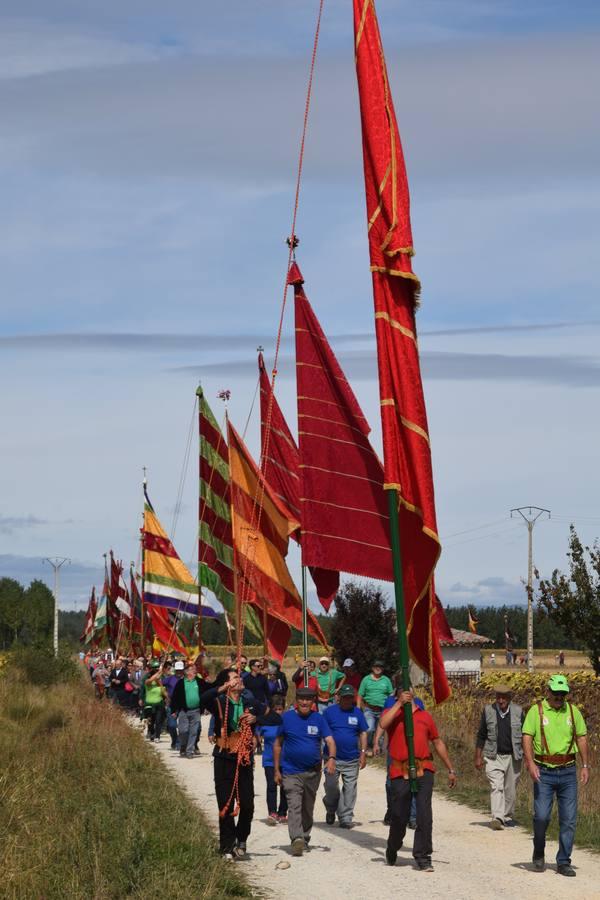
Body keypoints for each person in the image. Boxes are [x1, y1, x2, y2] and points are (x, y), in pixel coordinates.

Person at [201, 668, 281, 859]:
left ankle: (242, 839)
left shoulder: (250, 703)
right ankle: (226, 847)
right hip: (224, 758)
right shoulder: (219, 703)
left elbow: (275, 718)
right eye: (235, 677)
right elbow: (202, 699)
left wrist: (257, 719)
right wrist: (222, 688)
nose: (240, 679)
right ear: (227, 683)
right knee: (226, 805)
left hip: (244, 759)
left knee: (247, 804)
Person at [381, 688, 457, 872]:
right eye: (401, 692)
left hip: (424, 768)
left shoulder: (425, 716)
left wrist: (450, 768)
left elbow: (437, 741)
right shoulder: (392, 713)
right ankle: (393, 845)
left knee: (424, 814)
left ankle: (423, 856)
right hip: (400, 769)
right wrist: (399, 704)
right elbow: (383, 724)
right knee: (399, 814)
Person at [522, 674, 590, 876]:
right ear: (548, 692)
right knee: (541, 816)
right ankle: (539, 850)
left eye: (563, 694)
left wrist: (585, 765)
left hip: (568, 770)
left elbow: (582, 737)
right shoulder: (537, 711)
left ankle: (563, 861)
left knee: (568, 819)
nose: (560, 697)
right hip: (544, 771)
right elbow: (527, 737)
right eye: (556, 693)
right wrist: (530, 763)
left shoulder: (573, 711)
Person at [274, 686, 336, 856]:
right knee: (294, 804)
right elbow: (277, 744)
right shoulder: (286, 718)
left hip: (313, 773)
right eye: (301, 699)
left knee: (307, 807)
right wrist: (276, 770)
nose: (304, 702)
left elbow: (330, 741)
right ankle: (296, 839)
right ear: (296, 701)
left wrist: (331, 759)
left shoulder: (319, 719)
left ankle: (305, 837)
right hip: (291, 771)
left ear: (313, 702)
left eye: (308, 699)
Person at [375, 679, 425, 827]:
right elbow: (383, 722)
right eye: (401, 690)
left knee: (413, 781)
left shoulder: (418, 703)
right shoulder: (390, 703)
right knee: (392, 783)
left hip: (413, 749)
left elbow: (423, 721)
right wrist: (377, 740)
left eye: (407, 689)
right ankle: (392, 810)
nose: (405, 692)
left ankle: (413, 817)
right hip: (395, 749)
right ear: (396, 691)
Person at [474, 684, 524, 829]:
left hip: (513, 756)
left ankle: (507, 816)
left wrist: (528, 756)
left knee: (510, 789)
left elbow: (526, 736)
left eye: (503, 698)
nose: (500, 700)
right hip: (493, 755)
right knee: (496, 786)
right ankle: (497, 817)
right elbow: (481, 735)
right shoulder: (488, 711)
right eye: (498, 697)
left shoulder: (518, 712)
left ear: (509, 698)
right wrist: (477, 757)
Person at [322, 683, 368, 828]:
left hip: (351, 759)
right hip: (331, 759)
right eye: (345, 698)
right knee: (331, 788)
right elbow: (322, 733)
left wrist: (363, 753)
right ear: (338, 698)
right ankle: (331, 809)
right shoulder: (329, 712)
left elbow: (363, 733)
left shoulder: (357, 712)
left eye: (350, 698)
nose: (348, 701)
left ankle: (345, 817)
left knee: (350, 788)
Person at [257, 693, 288, 824]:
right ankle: (272, 813)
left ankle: (282, 813)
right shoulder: (264, 722)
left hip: (286, 760)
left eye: (280, 709)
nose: (278, 712)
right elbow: (256, 733)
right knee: (271, 785)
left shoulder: (287, 723)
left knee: (285, 787)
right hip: (269, 759)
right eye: (275, 709)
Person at [171, 661, 210, 759]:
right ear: (187, 672)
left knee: (194, 731)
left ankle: (189, 751)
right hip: (184, 711)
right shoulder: (181, 683)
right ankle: (183, 747)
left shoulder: (199, 681)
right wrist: (173, 710)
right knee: (183, 731)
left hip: (196, 710)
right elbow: (175, 697)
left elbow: (209, 690)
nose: (195, 671)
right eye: (193, 670)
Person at [358, 660, 393, 752]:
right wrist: (358, 708)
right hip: (369, 708)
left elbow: (391, 695)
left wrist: (391, 708)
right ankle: (368, 747)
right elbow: (360, 695)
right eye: (376, 666)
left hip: (383, 709)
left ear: (383, 669)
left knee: (381, 730)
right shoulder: (366, 679)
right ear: (372, 668)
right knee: (369, 728)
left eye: (380, 666)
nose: (378, 668)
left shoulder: (386, 680)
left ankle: (379, 749)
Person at [140, 659, 167, 741]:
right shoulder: (146, 677)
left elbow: (164, 689)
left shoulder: (162, 676)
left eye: (157, 668)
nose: (155, 669)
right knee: (150, 719)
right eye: (153, 668)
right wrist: (141, 698)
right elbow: (143, 687)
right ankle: (151, 732)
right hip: (149, 701)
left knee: (158, 720)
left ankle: (157, 736)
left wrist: (160, 681)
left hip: (159, 701)